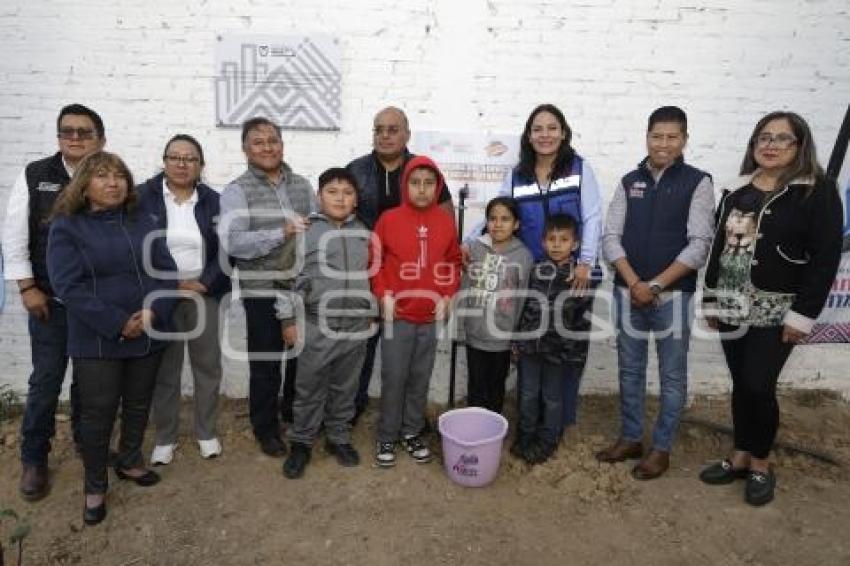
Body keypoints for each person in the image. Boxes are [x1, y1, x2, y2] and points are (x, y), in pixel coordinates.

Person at [699, 111, 842, 506]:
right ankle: (740, 454)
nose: (771, 145)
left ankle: (761, 462)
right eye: (764, 137)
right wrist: (711, 297)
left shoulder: (817, 189)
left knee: (760, 385)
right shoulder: (737, 189)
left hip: (777, 310)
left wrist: (802, 316)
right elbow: (718, 248)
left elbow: (825, 257)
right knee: (742, 383)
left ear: (800, 145)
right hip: (731, 304)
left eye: (782, 138)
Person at [47, 151, 178, 525]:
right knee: (98, 413)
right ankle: (94, 485)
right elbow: (67, 286)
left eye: (119, 175)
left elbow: (167, 274)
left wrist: (153, 311)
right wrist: (118, 322)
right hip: (98, 338)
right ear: (84, 185)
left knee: (138, 403)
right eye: (103, 176)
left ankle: (130, 461)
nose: (114, 182)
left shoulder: (145, 220)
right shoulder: (67, 226)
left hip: (148, 328)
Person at [464, 103, 603, 428]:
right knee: (530, 346)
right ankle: (531, 419)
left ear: (564, 132)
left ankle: (558, 421)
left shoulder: (580, 168)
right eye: (537, 129)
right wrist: (469, 240)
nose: (545, 135)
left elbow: (593, 216)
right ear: (528, 136)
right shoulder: (516, 173)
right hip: (532, 273)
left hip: (572, 273)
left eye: (552, 128)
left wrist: (586, 261)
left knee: (566, 347)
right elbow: (499, 211)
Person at [596, 106, 715, 480]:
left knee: (672, 375)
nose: (663, 144)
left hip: (673, 297)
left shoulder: (698, 182)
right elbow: (611, 238)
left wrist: (657, 284)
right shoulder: (629, 180)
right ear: (646, 137)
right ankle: (631, 437)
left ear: (684, 140)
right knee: (629, 369)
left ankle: (661, 448)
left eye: (672, 137)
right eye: (656, 136)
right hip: (627, 291)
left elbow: (699, 246)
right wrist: (633, 282)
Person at [2, 103, 105, 501]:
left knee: (89, 382)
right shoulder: (35, 175)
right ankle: (34, 457)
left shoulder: (109, 176)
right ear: (59, 136)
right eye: (68, 131)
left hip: (93, 304)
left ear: (100, 139)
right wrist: (27, 288)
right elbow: (14, 235)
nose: (75, 138)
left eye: (84, 132)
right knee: (46, 380)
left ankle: (86, 442)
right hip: (49, 301)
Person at [347, 106, 454, 423]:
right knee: (361, 346)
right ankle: (353, 406)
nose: (384, 135)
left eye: (392, 129)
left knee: (406, 358)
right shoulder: (355, 169)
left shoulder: (422, 171)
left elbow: (445, 221)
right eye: (378, 129)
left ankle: (408, 420)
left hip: (409, 284)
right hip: (362, 273)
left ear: (407, 133)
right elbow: (336, 211)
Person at [217, 117, 316, 458]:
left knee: (301, 355)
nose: (267, 147)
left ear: (282, 145)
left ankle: (292, 413)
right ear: (245, 149)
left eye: (272, 140)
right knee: (266, 360)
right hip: (261, 288)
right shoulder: (237, 190)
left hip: (299, 286)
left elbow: (316, 232)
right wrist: (281, 232)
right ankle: (265, 427)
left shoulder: (302, 186)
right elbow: (233, 243)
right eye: (258, 142)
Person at [276, 168, 376, 479]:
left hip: (356, 327)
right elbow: (285, 281)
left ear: (355, 199)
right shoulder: (305, 231)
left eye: (347, 192)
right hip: (317, 325)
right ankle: (302, 442)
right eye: (332, 191)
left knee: (345, 387)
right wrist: (288, 320)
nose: (340, 198)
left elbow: (374, 275)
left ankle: (338, 437)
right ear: (320, 196)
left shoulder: (364, 232)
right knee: (309, 388)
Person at [137, 134, 231, 465]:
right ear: (164, 161)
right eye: (174, 157)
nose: (181, 163)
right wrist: (168, 284)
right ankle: (165, 437)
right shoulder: (141, 198)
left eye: (190, 158)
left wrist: (205, 283)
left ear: (200, 166)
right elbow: (135, 249)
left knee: (207, 366)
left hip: (203, 293)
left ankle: (206, 432)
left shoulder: (215, 202)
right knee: (167, 369)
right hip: (162, 294)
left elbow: (227, 250)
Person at [370, 156, 461, 467]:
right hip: (398, 316)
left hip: (430, 317)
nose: (421, 189)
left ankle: (411, 430)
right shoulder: (389, 220)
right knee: (394, 375)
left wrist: (448, 295)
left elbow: (453, 263)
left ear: (437, 187)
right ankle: (387, 434)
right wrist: (383, 294)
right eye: (414, 182)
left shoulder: (446, 222)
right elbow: (377, 263)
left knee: (420, 376)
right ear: (404, 184)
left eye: (428, 183)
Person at [511, 214, 592, 464]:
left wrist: (576, 355)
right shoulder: (534, 271)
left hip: (559, 352)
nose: (557, 244)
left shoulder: (578, 278)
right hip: (529, 349)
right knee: (527, 394)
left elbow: (581, 322)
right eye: (551, 239)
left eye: (564, 239)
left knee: (552, 398)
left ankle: (548, 440)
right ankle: (526, 435)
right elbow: (522, 308)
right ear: (543, 242)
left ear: (575, 244)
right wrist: (516, 341)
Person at [460, 196, 532, 413]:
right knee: (476, 388)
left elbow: (522, 299)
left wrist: (516, 338)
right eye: (492, 218)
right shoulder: (474, 249)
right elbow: (464, 287)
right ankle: (474, 430)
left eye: (505, 219)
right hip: (475, 334)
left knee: (495, 389)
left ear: (516, 224)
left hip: (502, 338)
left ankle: (492, 433)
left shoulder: (524, 256)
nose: (498, 224)